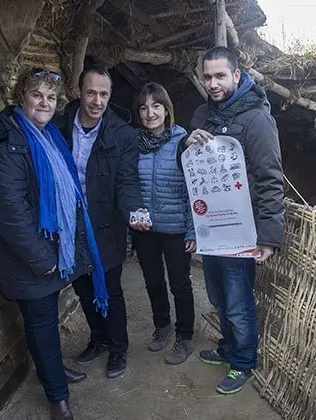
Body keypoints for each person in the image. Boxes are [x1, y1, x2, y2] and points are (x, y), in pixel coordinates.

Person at [0, 67, 109, 420]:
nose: (44, 103)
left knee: (44, 317)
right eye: (37, 95)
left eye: (50, 97)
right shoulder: (5, 143)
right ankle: (57, 396)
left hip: (46, 250)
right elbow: (10, 213)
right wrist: (43, 258)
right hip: (25, 256)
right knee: (41, 320)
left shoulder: (44, 136)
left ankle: (54, 373)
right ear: (22, 98)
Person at [181, 46, 284, 394]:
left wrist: (269, 237)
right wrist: (186, 142)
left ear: (236, 75)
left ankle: (243, 363)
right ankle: (227, 348)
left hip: (243, 231)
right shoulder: (202, 115)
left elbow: (270, 178)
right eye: (207, 76)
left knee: (239, 301)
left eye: (220, 75)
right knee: (217, 295)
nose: (212, 83)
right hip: (212, 228)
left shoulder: (257, 119)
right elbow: (192, 170)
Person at [55, 64, 149, 378]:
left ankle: (118, 349)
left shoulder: (121, 133)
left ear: (110, 96)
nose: (97, 100)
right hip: (70, 223)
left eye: (104, 94)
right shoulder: (58, 126)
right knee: (82, 286)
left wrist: (134, 209)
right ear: (79, 92)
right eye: (92, 92)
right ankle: (98, 338)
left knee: (110, 288)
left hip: (106, 222)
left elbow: (127, 181)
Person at [131, 83, 196, 365]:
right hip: (144, 230)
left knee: (179, 284)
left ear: (166, 109)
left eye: (156, 106)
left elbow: (195, 189)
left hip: (176, 228)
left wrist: (193, 229)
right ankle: (163, 325)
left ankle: (184, 335)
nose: (150, 113)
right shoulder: (133, 144)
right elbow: (127, 185)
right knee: (153, 281)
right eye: (144, 107)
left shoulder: (183, 143)